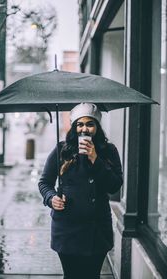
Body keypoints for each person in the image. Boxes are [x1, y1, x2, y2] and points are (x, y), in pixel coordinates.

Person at [38, 103, 123, 279]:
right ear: (74, 127)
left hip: (96, 229)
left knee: (92, 275)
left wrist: (95, 159)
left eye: (90, 124)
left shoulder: (109, 151)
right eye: (80, 124)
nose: (85, 128)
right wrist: (51, 198)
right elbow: (44, 182)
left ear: (97, 127)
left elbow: (115, 186)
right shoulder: (62, 150)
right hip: (67, 229)